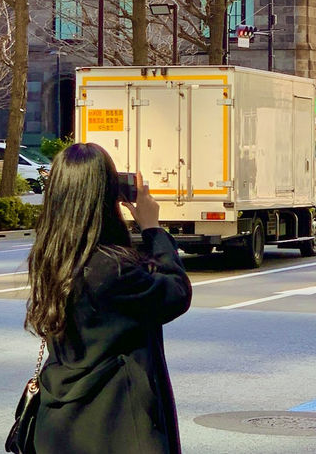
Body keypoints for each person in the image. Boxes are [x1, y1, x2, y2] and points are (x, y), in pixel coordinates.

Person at [26, 142, 192, 454]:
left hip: (57, 427)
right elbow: (176, 292)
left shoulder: (52, 257)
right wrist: (152, 228)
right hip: (118, 429)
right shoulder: (111, 269)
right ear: (107, 196)